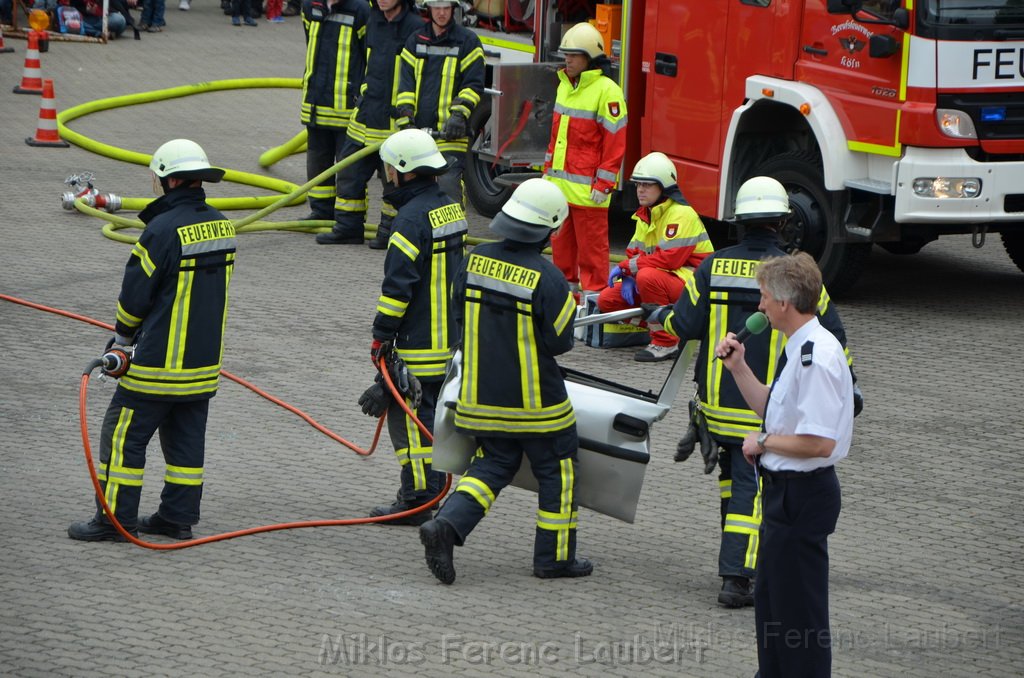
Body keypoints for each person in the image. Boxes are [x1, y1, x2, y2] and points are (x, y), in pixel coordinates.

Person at [644, 176, 857, 609]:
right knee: (749, 494)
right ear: (781, 222)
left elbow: (683, 326)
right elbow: (834, 332)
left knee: (732, 488)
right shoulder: (795, 276)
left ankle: (740, 562)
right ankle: (737, 578)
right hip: (763, 414)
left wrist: (658, 316)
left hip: (718, 404)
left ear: (738, 222)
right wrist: (851, 386)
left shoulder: (712, 267)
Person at [419, 178, 592, 585]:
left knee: (493, 464)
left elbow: (458, 312)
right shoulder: (548, 279)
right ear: (548, 228)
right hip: (538, 407)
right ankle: (554, 558)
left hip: (480, 398)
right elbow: (560, 343)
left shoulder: (474, 259)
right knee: (559, 471)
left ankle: (446, 525)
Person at [67, 139, 234, 543]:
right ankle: (177, 519)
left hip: (156, 365)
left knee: (122, 437)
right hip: (202, 366)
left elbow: (134, 298)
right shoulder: (223, 225)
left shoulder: (160, 230)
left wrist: (120, 340)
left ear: (172, 179)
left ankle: (113, 521)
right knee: (186, 449)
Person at [717, 252, 853, 678]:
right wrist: (738, 369)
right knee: (774, 614)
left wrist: (764, 442)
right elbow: (774, 410)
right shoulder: (798, 348)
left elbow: (817, 441)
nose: (758, 306)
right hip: (783, 496)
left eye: (762, 298)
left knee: (800, 622)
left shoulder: (816, 356)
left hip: (801, 498)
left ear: (783, 304)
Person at [368, 129, 467, 524]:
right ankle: (430, 491)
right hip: (450, 341)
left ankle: (417, 499)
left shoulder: (408, 220)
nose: (386, 174)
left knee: (408, 422)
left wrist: (380, 337)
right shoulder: (450, 207)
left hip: (418, 343)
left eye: (390, 167)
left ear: (404, 172)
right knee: (431, 418)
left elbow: (397, 289)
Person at [316, 0, 423, 247]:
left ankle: (389, 232)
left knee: (394, 183)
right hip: (364, 117)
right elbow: (366, 62)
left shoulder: (415, 27)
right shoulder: (372, 20)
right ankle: (348, 227)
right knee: (348, 173)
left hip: (392, 121)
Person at [598, 151, 713, 363]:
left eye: (647, 185)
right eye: (638, 184)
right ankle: (660, 327)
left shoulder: (681, 214)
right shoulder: (645, 214)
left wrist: (627, 269)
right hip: (667, 284)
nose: (640, 189)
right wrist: (629, 277)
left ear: (664, 187)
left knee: (647, 277)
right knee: (606, 300)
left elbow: (670, 260)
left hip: (694, 288)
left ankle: (666, 342)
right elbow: (634, 252)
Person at [543, 21, 627, 298]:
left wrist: (604, 184)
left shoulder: (607, 91)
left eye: (573, 55)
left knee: (593, 258)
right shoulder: (564, 85)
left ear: (590, 57)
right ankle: (565, 302)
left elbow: (615, 142)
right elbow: (557, 136)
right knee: (561, 256)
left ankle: (593, 306)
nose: (567, 59)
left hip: (590, 193)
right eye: (565, 54)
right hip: (560, 191)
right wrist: (548, 171)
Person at [393, 0, 484, 206]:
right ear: (429, 9)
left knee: (448, 190)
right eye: (437, 7)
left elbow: (473, 84)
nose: (442, 13)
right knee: (412, 191)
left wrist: (459, 116)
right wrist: (406, 119)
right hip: (418, 134)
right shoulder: (415, 41)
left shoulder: (467, 41)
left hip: (450, 134)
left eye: (446, 7)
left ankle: (453, 235)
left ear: (453, 9)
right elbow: (405, 85)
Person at [298, 0, 369, 230]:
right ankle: (320, 211)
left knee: (349, 168)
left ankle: (349, 219)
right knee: (317, 162)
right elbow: (311, 45)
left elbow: (367, 56)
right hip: (316, 105)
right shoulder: (310, 6)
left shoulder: (360, 10)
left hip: (346, 108)